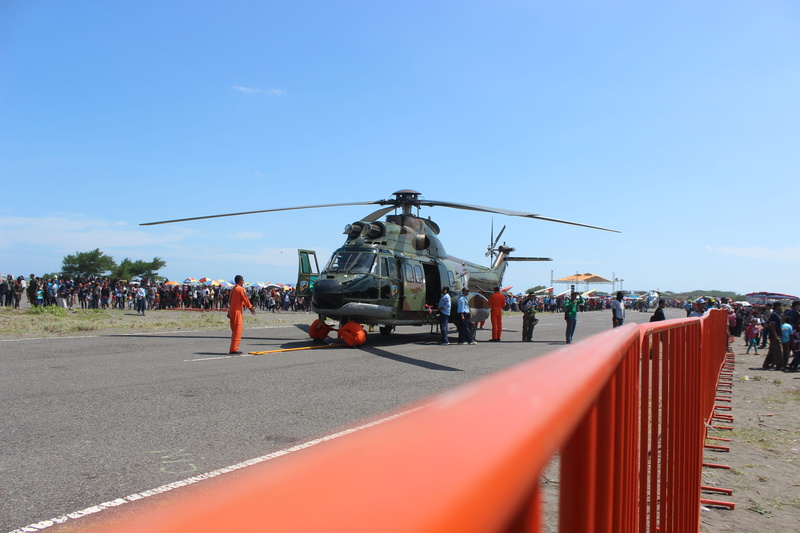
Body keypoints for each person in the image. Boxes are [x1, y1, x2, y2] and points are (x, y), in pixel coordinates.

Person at [228, 275, 256, 354]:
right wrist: (250, 308)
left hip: (232, 311)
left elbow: (233, 301)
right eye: (243, 280)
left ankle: (233, 347)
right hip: (237, 312)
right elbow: (245, 299)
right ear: (241, 281)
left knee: (234, 331)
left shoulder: (233, 289)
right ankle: (234, 349)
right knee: (238, 330)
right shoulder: (240, 289)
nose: (243, 282)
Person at [762, 302, 784, 370]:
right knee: (778, 351)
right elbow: (772, 325)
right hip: (774, 335)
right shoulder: (774, 314)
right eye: (781, 306)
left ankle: (766, 364)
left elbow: (767, 322)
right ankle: (779, 365)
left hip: (775, 334)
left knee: (772, 350)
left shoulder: (777, 314)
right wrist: (775, 335)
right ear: (777, 306)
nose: (782, 307)